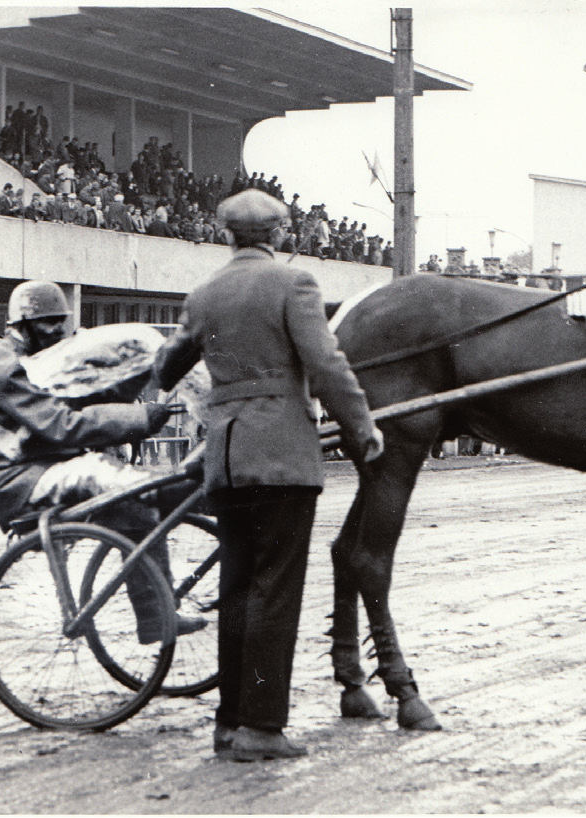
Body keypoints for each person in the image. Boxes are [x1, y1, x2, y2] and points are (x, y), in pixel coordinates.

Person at [153, 189, 384, 763]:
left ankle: (229, 723)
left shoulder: (204, 291)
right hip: (281, 451)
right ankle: (261, 727)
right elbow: (325, 361)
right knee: (275, 593)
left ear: (225, 234)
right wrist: (361, 426)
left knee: (237, 590)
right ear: (279, 233)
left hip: (227, 456)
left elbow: (167, 366)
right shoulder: (294, 283)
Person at [0, 281, 205, 642]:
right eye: (49, 323)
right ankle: (156, 612)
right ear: (22, 324)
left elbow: (89, 398)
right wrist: (140, 419)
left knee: (140, 495)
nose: (59, 330)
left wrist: (141, 374)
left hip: (38, 469)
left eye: (61, 321)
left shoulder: (39, 362)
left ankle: (156, 607)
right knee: (127, 484)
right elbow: (64, 425)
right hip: (10, 480)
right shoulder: (9, 371)